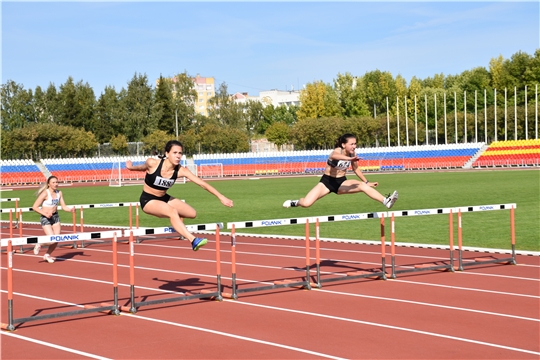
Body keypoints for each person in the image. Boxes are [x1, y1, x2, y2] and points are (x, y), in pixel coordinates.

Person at [126, 140, 233, 251]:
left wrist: (221, 197)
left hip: (164, 198)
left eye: (180, 153)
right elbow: (142, 167)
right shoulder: (153, 163)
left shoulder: (181, 170)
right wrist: (130, 167)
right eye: (175, 153)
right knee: (173, 212)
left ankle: (175, 220)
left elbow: (202, 183)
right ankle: (193, 240)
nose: (178, 156)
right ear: (167, 154)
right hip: (148, 200)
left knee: (192, 213)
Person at [283, 133, 398, 209]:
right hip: (326, 182)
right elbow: (334, 156)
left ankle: (385, 201)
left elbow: (356, 169)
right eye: (351, 144)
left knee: (363, 186)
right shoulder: (337, 151)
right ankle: (295, 202)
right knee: (306, 203)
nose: (354, 146)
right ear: (343, 145)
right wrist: (350, 158)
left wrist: (367, 182)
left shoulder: (353, 154)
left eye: (355, 143)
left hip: (341, 182)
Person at [32, 176, 75, 263]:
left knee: (56, 239)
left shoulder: (59, 193)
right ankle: (39, 243)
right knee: (52, 239)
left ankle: (47, 255)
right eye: (53, 182)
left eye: (56, 182)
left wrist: (70, 210)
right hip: (45, 217)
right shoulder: (45, 193)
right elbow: (34, 207)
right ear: (49, 184)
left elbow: (63, 207)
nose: (56, 184)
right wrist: (45, 214)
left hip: (55, 217)